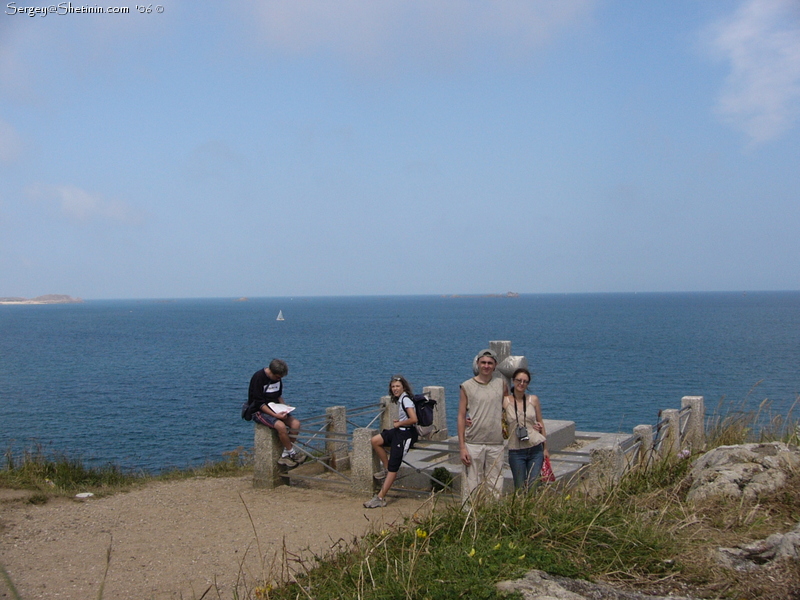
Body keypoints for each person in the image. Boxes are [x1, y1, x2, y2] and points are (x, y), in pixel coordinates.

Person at [458, 349, 508, 503]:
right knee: (471, 484)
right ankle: (469, 517)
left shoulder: (501, 384)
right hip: (474, 442)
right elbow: (460, 415)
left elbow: (509, 409)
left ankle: (492, 517)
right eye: (483, 362)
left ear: (495, 366)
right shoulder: (467, 386)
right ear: (478, 364)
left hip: (496, 443)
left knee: (495, 485)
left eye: (490, 363)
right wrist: (462, 447)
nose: (486, 366)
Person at [364, 375, 418, 508]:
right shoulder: (402, 399)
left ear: (403, 387)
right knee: (375, 440)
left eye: (397, 386)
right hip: (399, 430)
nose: (395, 389)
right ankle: (387, 468)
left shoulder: (406, 400)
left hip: (406, 434)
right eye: (393, 386)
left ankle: (380, 498)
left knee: (395, 466)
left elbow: (413, 419)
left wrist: (399, 423)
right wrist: (399, 424)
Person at [247, 359, 305, 467]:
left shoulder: (277, 379)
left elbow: (278, 396)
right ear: (271, 372)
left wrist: (284, 407)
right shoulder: (258, 378)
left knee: (296, 424)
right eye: (278, 377)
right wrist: (275, 416)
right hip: (259, 411)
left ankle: (285, 454)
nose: (279, 379)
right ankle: (292, 453)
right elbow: (259, 403)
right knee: (281, 426)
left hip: (275, 408)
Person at [503, 367, 548, 491]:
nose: (521, 384)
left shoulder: (533, 399)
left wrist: (545, 449)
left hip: (535, 448)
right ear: (513, 381)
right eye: (519, 380)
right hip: (516, 450)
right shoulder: (505, 401)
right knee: (519, 487)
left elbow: (540, 422)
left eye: (525, 381)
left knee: (534, 486)